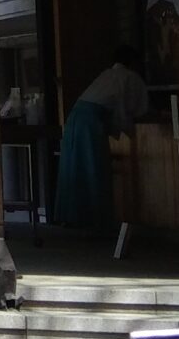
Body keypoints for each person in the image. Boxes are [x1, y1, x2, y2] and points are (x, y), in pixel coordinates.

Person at [54, 44, 151, 230]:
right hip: (91, 122)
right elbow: (134, 108)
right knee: (93, 167)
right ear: (132, 61)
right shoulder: (128, 77)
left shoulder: (107, 75)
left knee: (74, 166)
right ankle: (93, 219)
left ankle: (72, 216)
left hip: (76, 118)